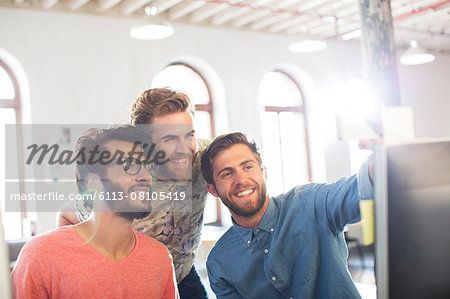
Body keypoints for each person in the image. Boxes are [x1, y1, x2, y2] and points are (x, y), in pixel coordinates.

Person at [57, 88, 210, 298]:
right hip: (139, 281)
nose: (184, 148)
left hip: (185, 276)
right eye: (169, 139)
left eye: (189, 135)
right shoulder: (126, 185)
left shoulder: (206, 157)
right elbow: (67, 213)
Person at [12, 125, 179, 299]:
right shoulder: (40, 255)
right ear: (93, 183)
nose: (146, 176)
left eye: (147, 166)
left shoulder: (159, 257)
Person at [200, 132, 374, 299]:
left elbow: (365, 185)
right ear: (213, 189)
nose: (241, 180)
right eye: (227, 174)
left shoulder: (310, 202)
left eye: (247, 167)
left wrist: (383, 147)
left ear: (264, 172)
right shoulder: (219, 263)